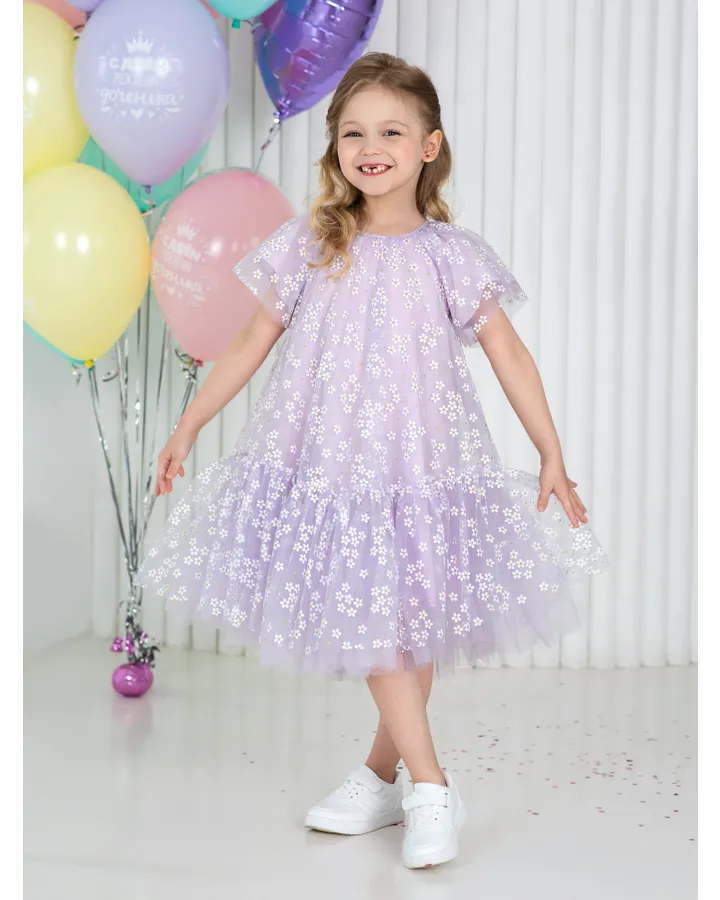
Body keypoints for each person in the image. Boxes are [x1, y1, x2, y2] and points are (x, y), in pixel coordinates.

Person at [136, 52, 608, 869]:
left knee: (408, 626)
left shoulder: (450, 254)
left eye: (391, 131)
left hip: (421, 467)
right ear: (335, 148)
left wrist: (550, 451)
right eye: (353, 132)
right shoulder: (310, 243)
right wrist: (189, 424)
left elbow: (509, 354)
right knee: (383, 624)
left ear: (429, 146)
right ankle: (429, 785)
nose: (370, 147)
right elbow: (249, 341)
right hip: (333, 469)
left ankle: (387, 777)